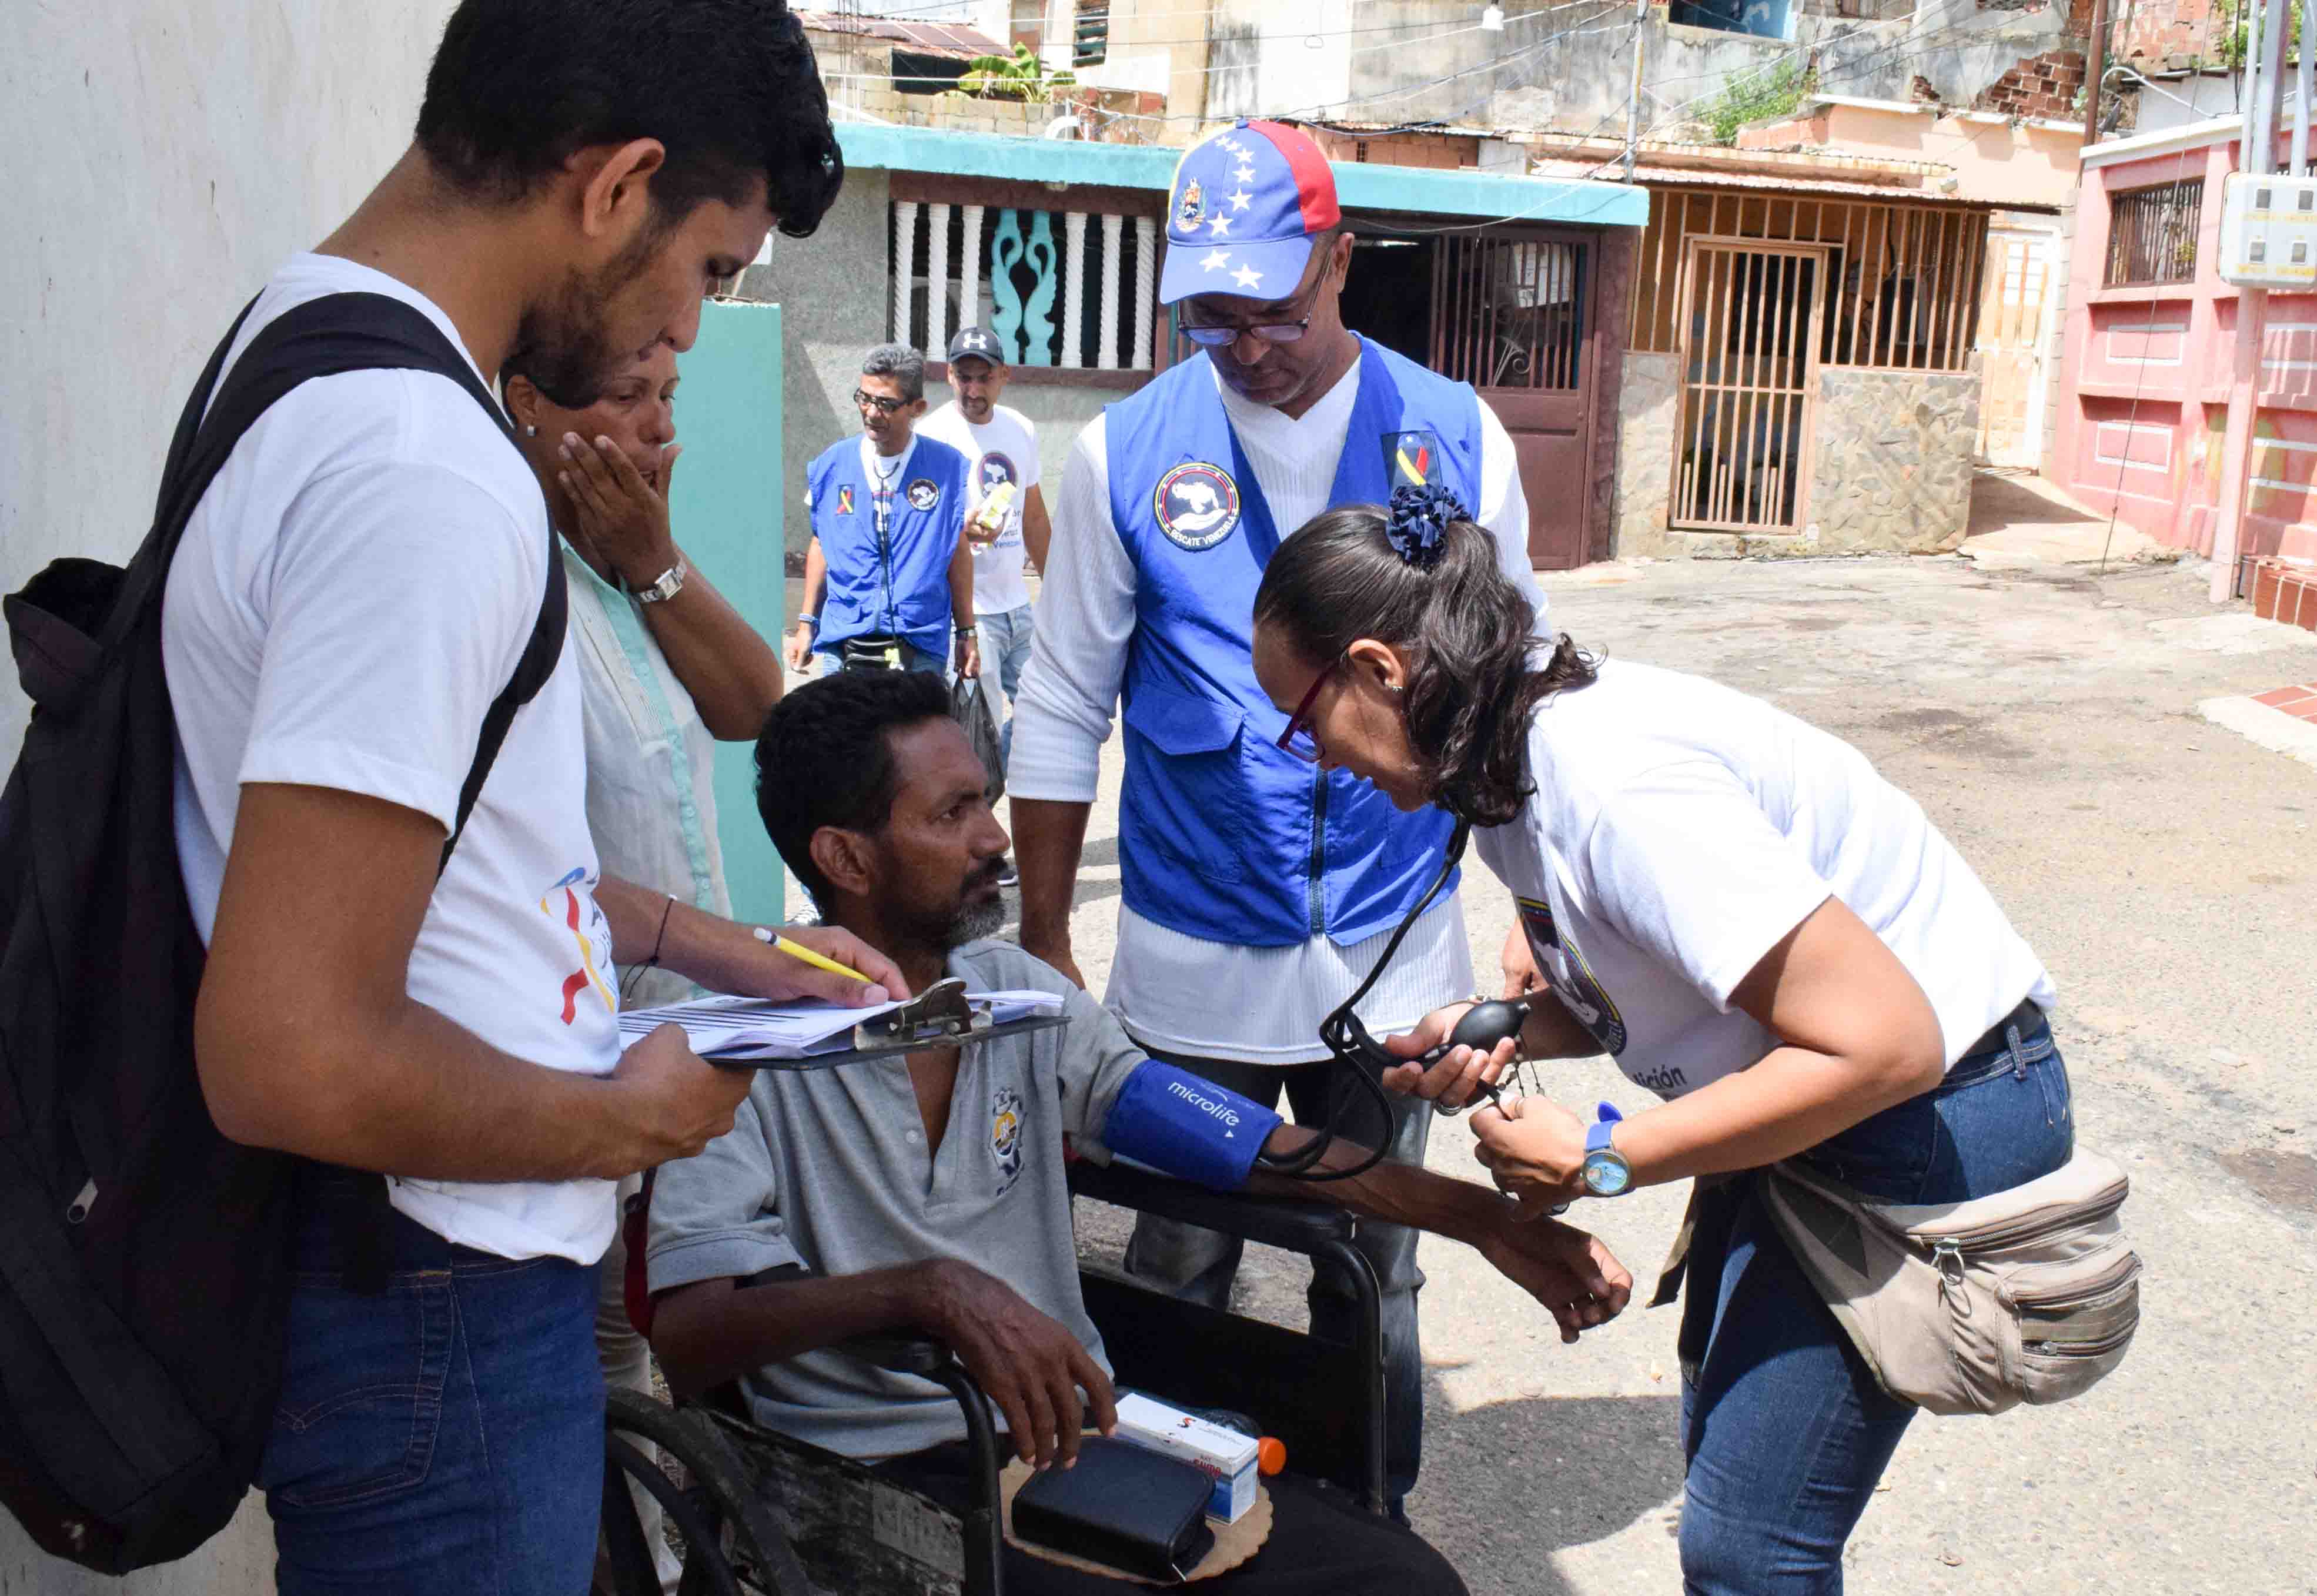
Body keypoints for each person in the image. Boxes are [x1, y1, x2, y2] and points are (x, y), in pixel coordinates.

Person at [159, 6, 908, 1591]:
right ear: (615, 184)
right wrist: (618, 1120)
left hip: (414, 1285)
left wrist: (716, 950)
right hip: (438, 1292)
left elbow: (436, 874)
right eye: (708, 269)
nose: (693, 334)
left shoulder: (302, 342)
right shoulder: (424, 469)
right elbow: (287, 1049)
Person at [641, 669, 1630, 1596]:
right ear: (844, 857)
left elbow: (1236, 1141)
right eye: (953, 814)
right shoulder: (737, 1050)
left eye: (985, 799)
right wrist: (927, 1294)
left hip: (1070, 1442)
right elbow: (692, 1340)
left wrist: (1481, 1222)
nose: (995, 837)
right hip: (877, 1479)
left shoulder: (1017, 1000)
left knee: (1404, 1581)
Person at [1246, 488, 2071, 1596]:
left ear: (1379, 669)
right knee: (1733, 1481)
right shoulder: (1505, 761)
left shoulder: (1614, 784)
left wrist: (1602, 1156)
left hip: (1923, 1108)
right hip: (1824, 1096)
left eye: (1306, 723)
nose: (1321, 763)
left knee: (1750, 1548)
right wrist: (1498, 1026)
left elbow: (1885, 1046)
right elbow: (1659, 982)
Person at [1007, 117, 1547, 1513]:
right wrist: (1048, 933)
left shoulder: (1458, 438)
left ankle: (1367, 1520)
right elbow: (1064, 703)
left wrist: (1542, 914)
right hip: (1192, 964)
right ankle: (1166, 1514)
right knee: (1177, 1257)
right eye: (1211, 315)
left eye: (1274, 309)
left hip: (1397, 959)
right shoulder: (1123, 455)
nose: (1245, 344)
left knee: (1378, 1261)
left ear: (1342, 262)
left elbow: (1513, 703)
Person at [503, 337, 788, 1586]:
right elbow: (535, 877)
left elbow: (752, 701)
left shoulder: (613, 576)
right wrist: (752, 958)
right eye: (624, 400)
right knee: (597, 1377)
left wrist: (653, 557)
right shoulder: (506, 580)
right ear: (527, 408)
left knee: (639, 1360)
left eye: (667, 399)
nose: (657, 430)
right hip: (568, 1064)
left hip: (673, 1047)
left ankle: (658, 1562)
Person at [786, 343, 979, 682]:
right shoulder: (833, 464)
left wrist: (967, 632)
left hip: (918, 642)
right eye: (864, 398)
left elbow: (955, 550)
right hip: (844, 638)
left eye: (887, 404)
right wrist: (807, 624)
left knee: (912, 735)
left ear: (917, 407)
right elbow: (821, 543)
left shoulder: (946, 468)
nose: (872, 413)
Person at [917, 325, 1052, 774]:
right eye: (963, 376)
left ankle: (991, 789)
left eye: (983, 377)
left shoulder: (1020, 428)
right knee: (980, 733)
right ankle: (976, 837)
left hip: (1019, 608)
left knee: (1049, 710)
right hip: (969, 613)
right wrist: (962, 529)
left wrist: (1056, 589)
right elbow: (917, 525)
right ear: (949, 375)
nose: (972, 389)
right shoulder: (930, 435)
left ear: (1004, 376)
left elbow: (1033, 515)